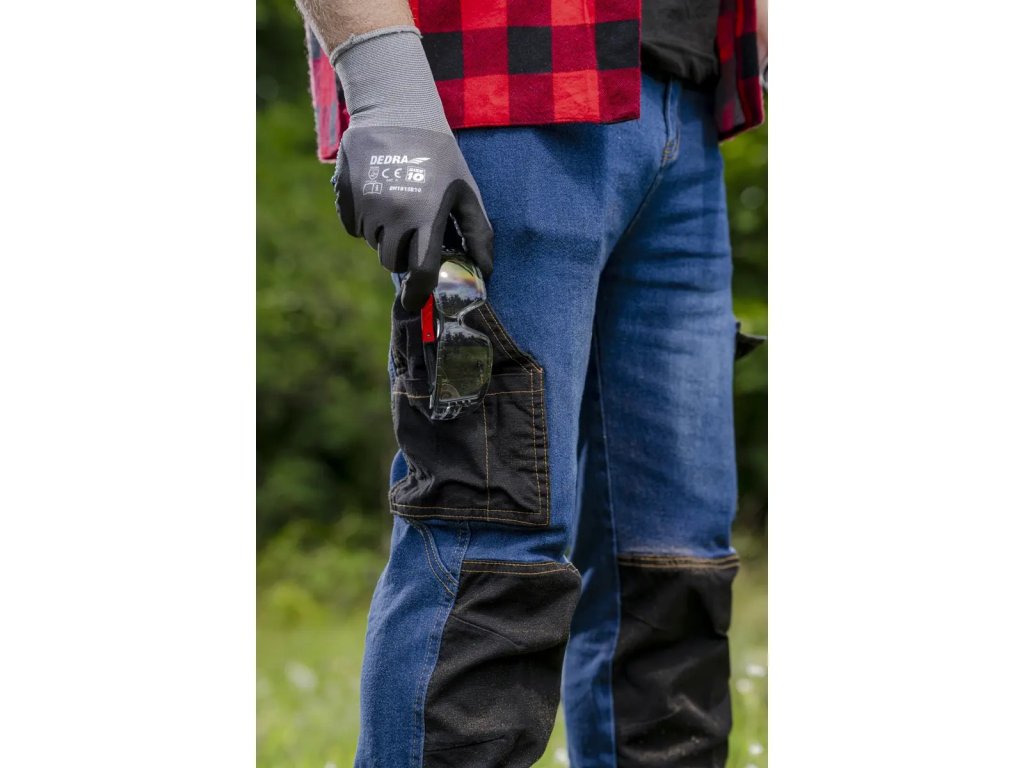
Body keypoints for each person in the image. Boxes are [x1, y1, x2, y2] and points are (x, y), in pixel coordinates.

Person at [292, 1, 766, 765]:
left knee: (675, 580)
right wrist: (385, 87)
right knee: (491, 555)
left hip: (689, 103)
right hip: (511, 81)